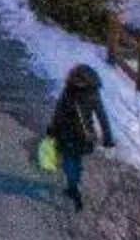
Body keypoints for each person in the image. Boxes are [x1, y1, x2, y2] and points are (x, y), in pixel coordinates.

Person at [45, 63, 114, 208]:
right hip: (85, 136)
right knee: (75, 158)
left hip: (67, 133)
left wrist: (52, 128)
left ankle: (73, 188)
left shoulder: (68, 91)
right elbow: (102, 116)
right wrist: (108, 137)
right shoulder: (93, 94)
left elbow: (59, 111)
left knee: (68, 161)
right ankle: (75, 179)